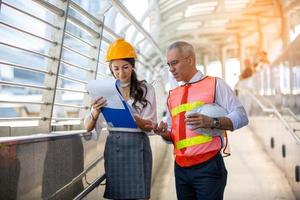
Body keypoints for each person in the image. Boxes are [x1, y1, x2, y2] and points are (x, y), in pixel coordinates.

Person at [153, 41, 248, 200]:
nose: (171, 69)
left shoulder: (215, 84)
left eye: (174, 63)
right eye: (168, 64)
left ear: (189, 60)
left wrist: (212, 122)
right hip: (181, 169)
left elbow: (241, 116)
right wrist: (163, 133)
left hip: (208, 167)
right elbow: (172, 136)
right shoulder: (173, 94)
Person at [84, 38, 157, 200]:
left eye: (125, 67)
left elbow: (150, 125)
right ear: (110, 68)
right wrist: (95, 112)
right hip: (115, 148)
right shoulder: (105, 90)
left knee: (141, 195)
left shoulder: (146, 89)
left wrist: (132, 118)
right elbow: (88, 128)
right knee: (117, 196)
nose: (121, 73)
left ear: (132, 66)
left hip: (139, 146)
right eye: (116, 68)